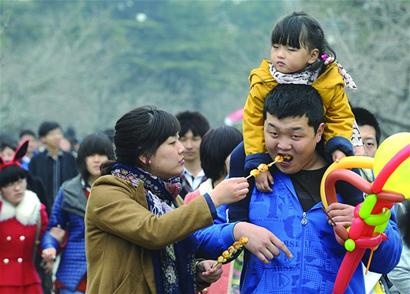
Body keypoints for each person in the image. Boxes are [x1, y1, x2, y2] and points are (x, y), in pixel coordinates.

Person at [238, 84, 402, 293]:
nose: (283, 145)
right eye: (273, 133)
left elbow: (389, 260)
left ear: (319, 132)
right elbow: (206, 237)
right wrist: (236, 231)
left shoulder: (360, 182)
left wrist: (366, 226)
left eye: (295, 136)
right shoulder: (252, 174)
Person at [85, 106, 250, 293]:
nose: (182, 149)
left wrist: (197, 270)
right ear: (144, 155)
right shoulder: (108, 192)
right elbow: (153, 231)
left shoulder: (167, 197)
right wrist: (212, 199)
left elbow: (186, 244)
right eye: (172, 143)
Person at [242, 11, 359, 197]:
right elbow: (252, 121)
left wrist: (338, 146)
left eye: (291, 49)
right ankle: (236, 215)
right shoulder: (263, 80)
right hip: (266, 138)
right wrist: (257, 160)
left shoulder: (329, 80)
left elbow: (340, 116)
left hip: (319, 136)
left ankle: (355, 209)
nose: (280, 55)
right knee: (239, 159)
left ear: (312, 56)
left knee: (349, 170)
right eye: (276, 46)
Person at [41, 133, 115, 294]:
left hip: (112, 269)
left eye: (101, 154)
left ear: (110, 157)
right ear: (83, 159)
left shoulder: (120, 189)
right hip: (74, 272)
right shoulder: (68, 190)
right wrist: (49, 248)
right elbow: (54, 228)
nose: (96, 160)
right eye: (91, 155)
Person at [0, 141, 48, 294]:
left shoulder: (36, 209)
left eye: (20, 181)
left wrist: (51, 247)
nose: (17, 188)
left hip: (29, 281)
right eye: (9, 184)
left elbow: (45, 238)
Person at [29, 121, 78, 214]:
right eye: (52, 134)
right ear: (43, 139)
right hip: (42, 209)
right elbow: (32, 186)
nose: (57, 136)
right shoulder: (36, 160)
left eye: (59, 133)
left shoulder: (70, 158)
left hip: (68, 209)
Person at [176, 111, 210, 198]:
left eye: (195, 139)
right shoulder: (170, 177)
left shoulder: (213, 175)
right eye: (183, 139)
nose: (189, 146)